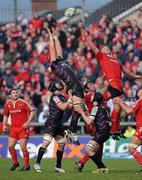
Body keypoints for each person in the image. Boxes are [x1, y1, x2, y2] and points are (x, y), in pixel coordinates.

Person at [81, 28, 142, 139]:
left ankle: (115, 129)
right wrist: (86, 37)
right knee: (117, 106)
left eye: (107, 47)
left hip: (119, 85)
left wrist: (135, 76)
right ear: (102, 50)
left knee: (116, 107)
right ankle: (114, 130)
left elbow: (125, 69)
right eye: (104, 47)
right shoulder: (102, 57)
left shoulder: (115, 60)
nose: (106, 47)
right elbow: (93, 47)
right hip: (113, 83)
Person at [47, 27, 85, 145]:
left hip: (75, 85)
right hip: (73, 86)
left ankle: (71, 131)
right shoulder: (55, 65)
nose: (58, 54)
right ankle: (71, 131)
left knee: (79, 108)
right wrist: (50, 37)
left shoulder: (60, 61)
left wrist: (55, 36)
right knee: (78, 108)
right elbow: (53, 49)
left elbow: (59, 48)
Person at [34, 80, 72, 173]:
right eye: (57, 83)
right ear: (54, 87)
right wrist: (70, 98)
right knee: (47, 142)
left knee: (62, 143)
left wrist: (72, 101)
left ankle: (58, 166)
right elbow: (63, 107)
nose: (60, 84)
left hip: (58, 124)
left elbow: (69, 107)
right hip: (51, 123)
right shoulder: (55, 97)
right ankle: (37, 164)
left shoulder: (62, 97)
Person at [76, 92, 111, 173]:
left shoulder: (95, 108)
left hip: (101, 132)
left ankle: (102, 168)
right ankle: (82, 163)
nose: (91, 97)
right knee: (95, 150)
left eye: (92, 96)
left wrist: (81, 112)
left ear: (95, 99)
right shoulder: (104, 107)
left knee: (88, 149)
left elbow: (88, 122)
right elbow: (93, 118)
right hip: (106, 132)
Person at [2, 88, 35, 171]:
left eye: (16, 92)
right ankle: (15, 163)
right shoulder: (7, 104)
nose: (15, 94)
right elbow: (5, 115)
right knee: (10, 147)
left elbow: (33, 111)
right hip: (13, 129)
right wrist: (4, 124)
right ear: (10, 95)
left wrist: (27, 122)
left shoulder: (23, 102)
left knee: (23, 147)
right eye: (13, 93)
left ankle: (27, 165)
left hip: (23, 129)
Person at [113, 88, 142, 173]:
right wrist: (122, 103)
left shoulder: (140, 101)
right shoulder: (139, 102)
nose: (140, 90)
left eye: (141, 90)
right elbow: (132, 112)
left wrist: (120, 102)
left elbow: (129, 111)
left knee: (131, 148)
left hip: (141, 128)